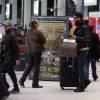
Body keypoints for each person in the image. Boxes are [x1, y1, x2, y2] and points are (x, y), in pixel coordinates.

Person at [19, 20, 46, 88]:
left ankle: (22, 80)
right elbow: (43, 40)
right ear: (35, 24)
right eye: (37, 23)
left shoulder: (28, 31)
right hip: (37, 50)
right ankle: (35, 84)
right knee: (36, 66)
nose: (38, 24)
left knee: (30, 65)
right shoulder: (38, 32)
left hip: (30, 50)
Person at [72, 12, 91, 92]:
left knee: (80, 68)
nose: (74, 19)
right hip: (76, 49)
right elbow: (74, 35)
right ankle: (85, 80)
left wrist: (76, 38)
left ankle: (81, 86)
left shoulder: (85, 27)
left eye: (75, 17)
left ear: (79, 17)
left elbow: (87, 38)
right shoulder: (77, 26)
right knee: (74, 67)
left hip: (83, 50)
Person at [0, 22, 20, 94]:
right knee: (11, 73)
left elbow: (16, 48)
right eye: (4, 26)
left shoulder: (12, 36)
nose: (5, 27)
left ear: (10, 26)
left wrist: (17, 58)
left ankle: (6, 86)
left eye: (6, 26)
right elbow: (4, 47)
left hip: (10, 57)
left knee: (1, 71)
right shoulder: (6, 35)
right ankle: (16, 88)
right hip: (5, 56)